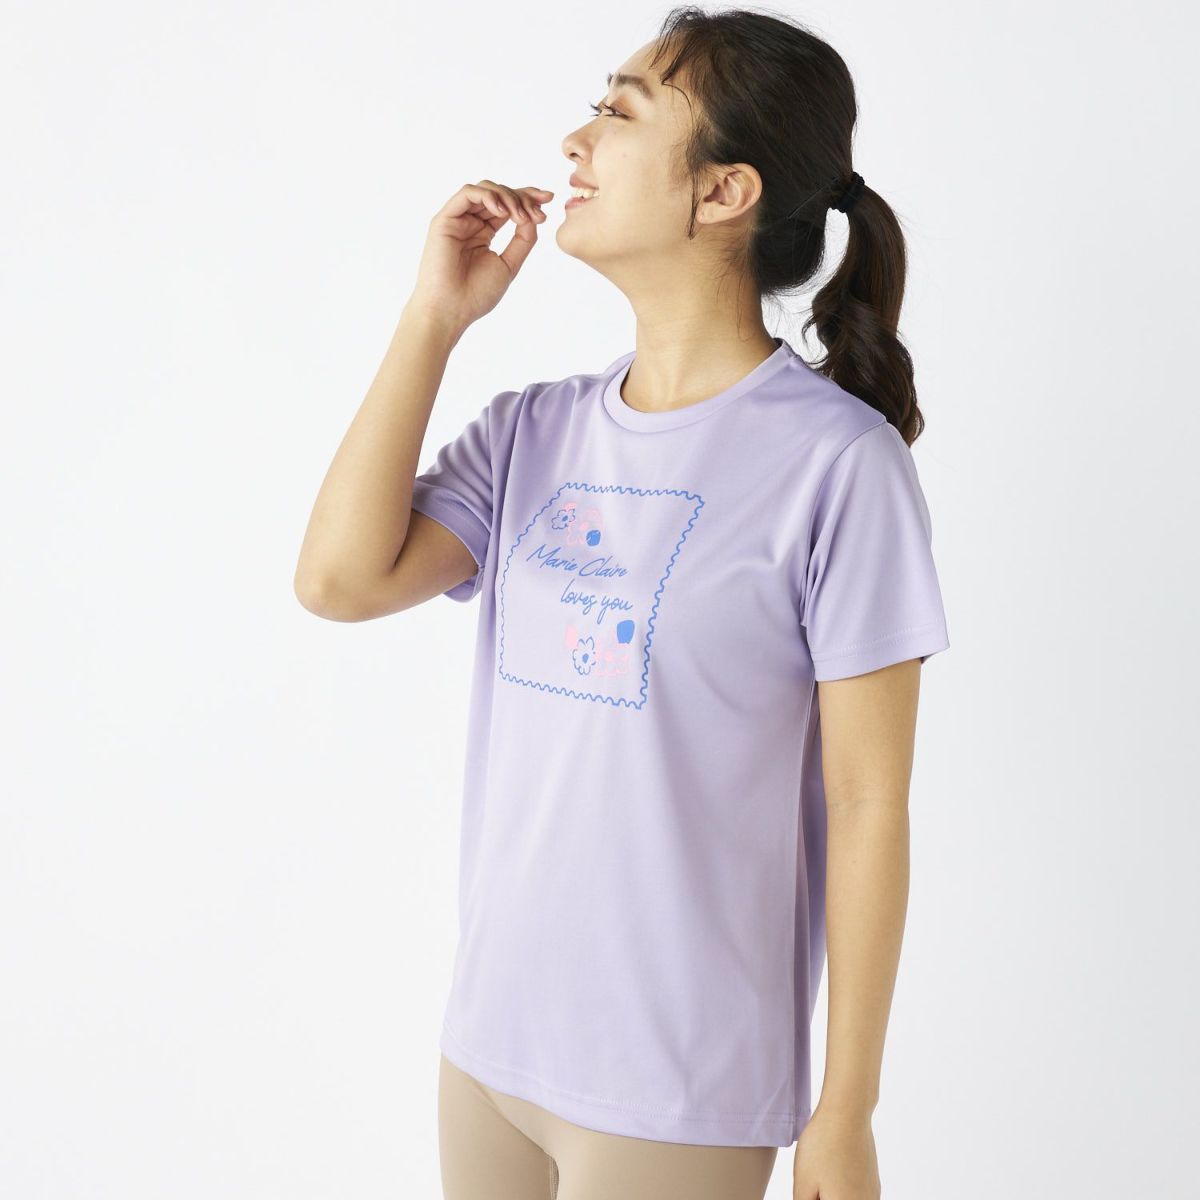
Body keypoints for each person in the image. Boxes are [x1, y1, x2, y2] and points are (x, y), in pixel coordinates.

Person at [294, 8, 950, 1199]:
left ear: (724, 192)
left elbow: (868, 805)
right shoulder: (532, 431)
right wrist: (434, 319)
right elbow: (339, 581)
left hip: (674, 1084)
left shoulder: (839, 466)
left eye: (618, 111)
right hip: (490, 1049)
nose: (574, 140)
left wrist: (845, 1110)